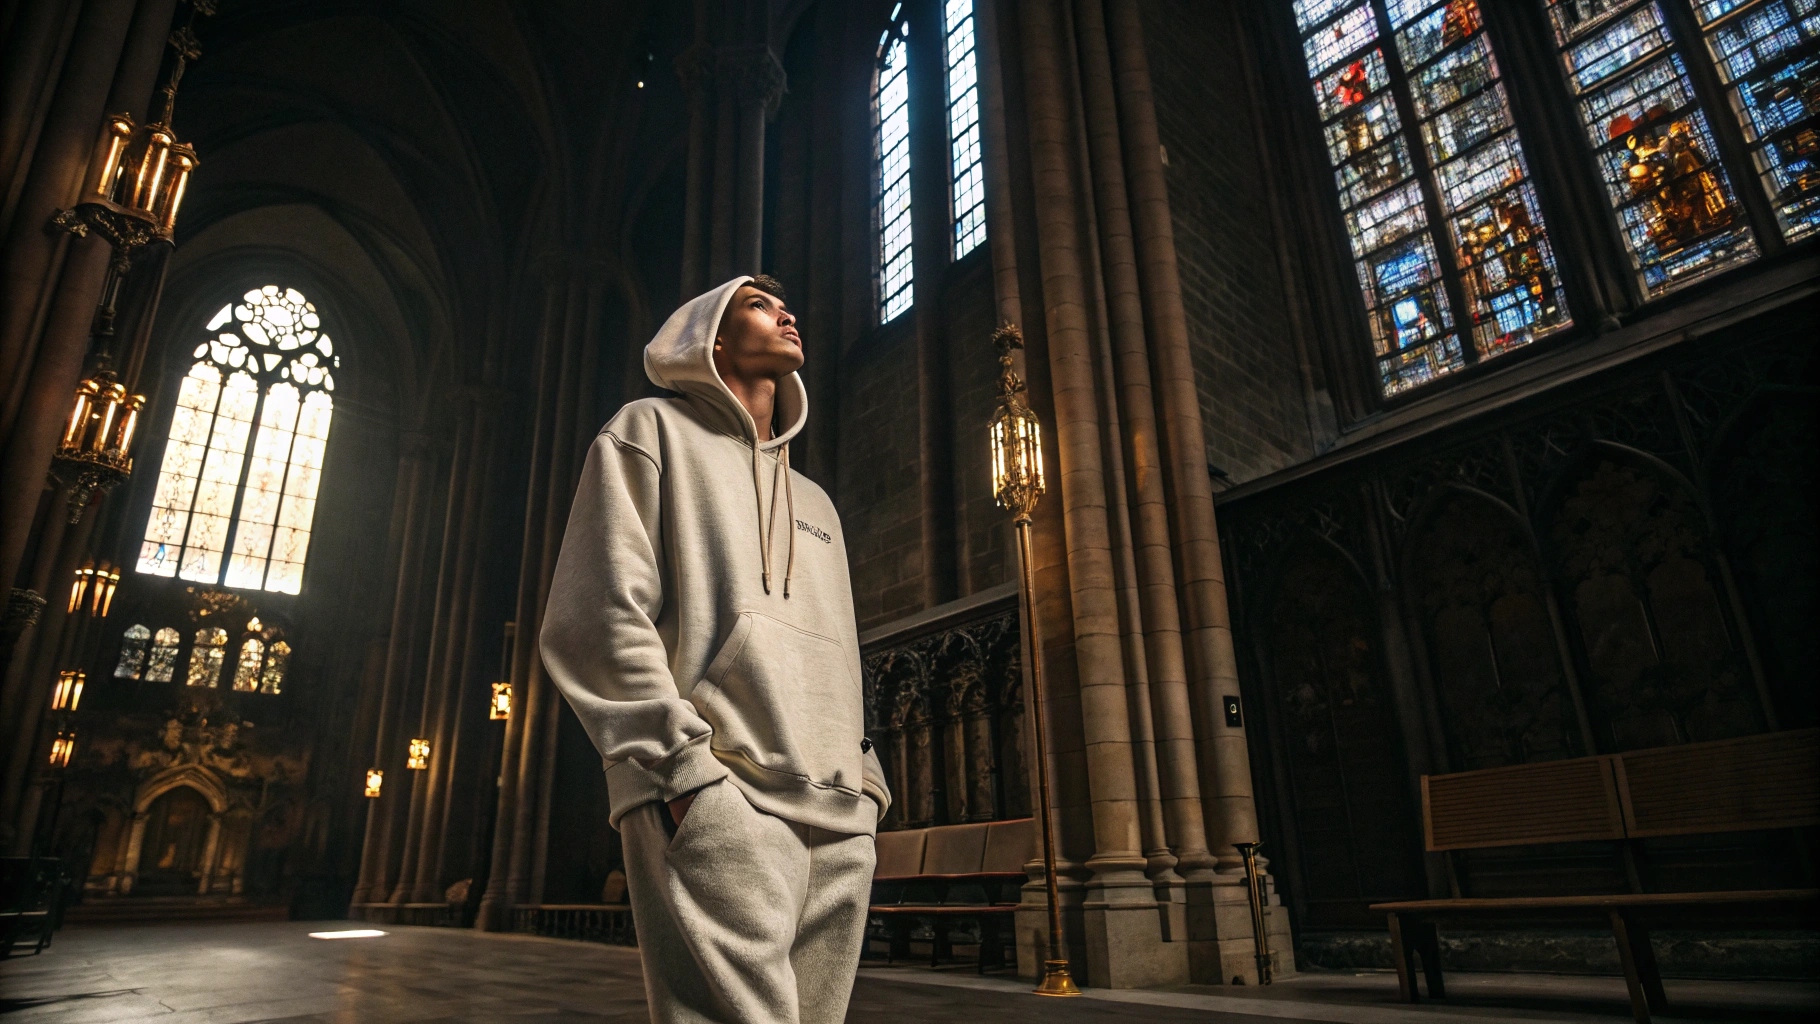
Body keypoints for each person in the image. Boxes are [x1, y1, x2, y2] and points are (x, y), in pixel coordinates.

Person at [542, 274, 891, 1024]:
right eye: (758, 305)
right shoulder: (647, 432)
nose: (787, 311)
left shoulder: (819, 503)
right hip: (713, 788)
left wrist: (866, 784)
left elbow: (840, 652)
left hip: (837, 813)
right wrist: (684, 777)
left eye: (786, 302)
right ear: (713, 338)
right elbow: (596, 615)